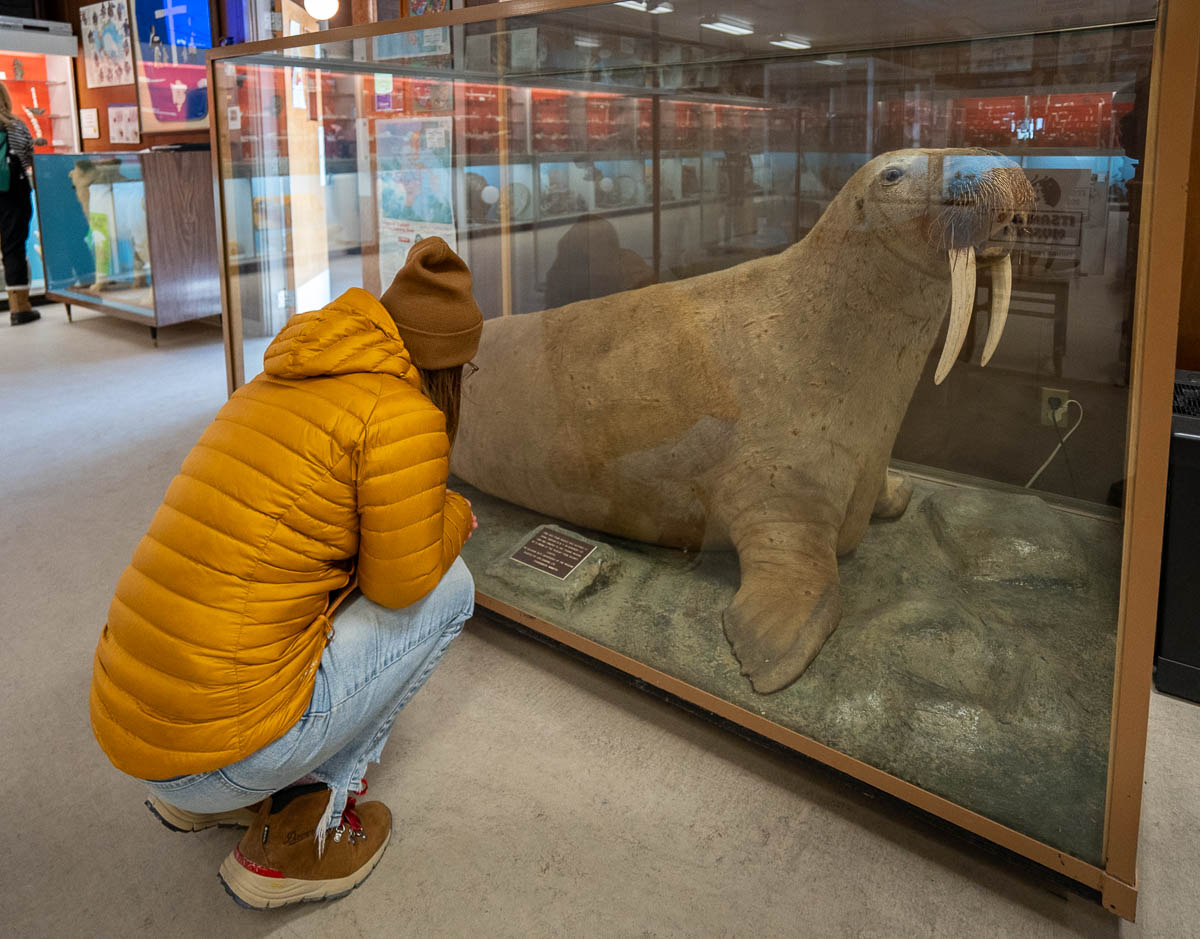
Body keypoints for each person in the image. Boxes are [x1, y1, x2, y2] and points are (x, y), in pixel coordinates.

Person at [89, 237, 482, 909]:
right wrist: (453, 512)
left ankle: (202, 799)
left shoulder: (275, 380)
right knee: (453, 589)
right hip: (217, 754)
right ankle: (300, 827)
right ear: (449, 364)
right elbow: (401, 584)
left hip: (137, 730)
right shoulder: (403, 414)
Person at [0, 82, 37, 325]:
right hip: (11, 195)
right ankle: (20, 308)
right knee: (13, 247)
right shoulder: (16, 126)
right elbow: (28, 158)